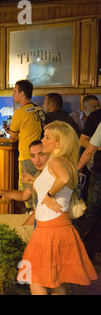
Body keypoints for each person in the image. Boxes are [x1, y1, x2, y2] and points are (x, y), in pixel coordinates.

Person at [17, 121, 97, 295]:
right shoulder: (62, 161)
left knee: (35, 278)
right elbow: (60, 179)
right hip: (55, 227)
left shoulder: (57, 160)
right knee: (53, 282)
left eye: (47, 137)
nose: (43, 140)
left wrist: (48, 195)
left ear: (59, 143)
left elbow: (63, 178)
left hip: (50, 229)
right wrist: (35, 182)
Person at [0, 140, 49, 243]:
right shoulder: (39, 174)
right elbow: (23, 195)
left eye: (41, 154)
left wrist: (22, 227)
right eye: (33, 156)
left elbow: (40, 212)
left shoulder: (50, 174)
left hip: (46, 224)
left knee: (15, 234)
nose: (37, 160)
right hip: (36, 217)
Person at [4, 79, 45, 211]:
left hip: (28, 156)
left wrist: (10, 131)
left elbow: (13, 136)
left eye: (14, 91)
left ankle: (30, 218)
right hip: (43, 156)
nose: (12, 94)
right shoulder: (39, 109)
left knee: (27, 193)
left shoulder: (20, 112)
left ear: (22, 94)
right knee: (39, 188)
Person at [78, 109, 101, 262]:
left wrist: (76, 169)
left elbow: (90, 150)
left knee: (93, 210)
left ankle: (86, 252)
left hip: (100, 171)